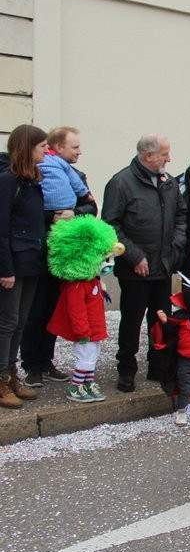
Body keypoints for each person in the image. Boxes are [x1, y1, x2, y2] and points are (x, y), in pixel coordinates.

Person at [101, 133, 187, 392]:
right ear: (148, 156)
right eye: (164, 154)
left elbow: (181, 215)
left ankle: (159, 366)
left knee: (161, 319)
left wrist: (176, 247)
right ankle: (126, 370)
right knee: (131, 321)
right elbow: (110, 225)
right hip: (135, 270)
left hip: (163, 265)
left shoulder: (169, 182)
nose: (169, 159)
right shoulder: (121, 182)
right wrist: (134, 255)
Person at [21, 126, 96, 388]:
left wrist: (73, 213)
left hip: (64, 253)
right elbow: (25, 214)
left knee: (53, 308)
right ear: (58, 148)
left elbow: (91, 207)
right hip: (36, 252)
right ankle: (31, 365)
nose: (79, 151)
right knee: (33, 311)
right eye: (74, 147)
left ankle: (47, 361)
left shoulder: (76, 176)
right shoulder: (33, 175)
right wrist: (50, 216)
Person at [44, 215, 123, 404]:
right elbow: (76, 311)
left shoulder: (91, 282)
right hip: (85, 331)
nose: (108, 264)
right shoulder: (77, 286)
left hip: (93, 330)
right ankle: (77, 385)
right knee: (85, 357)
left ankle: (88, 382)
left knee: (92, 356)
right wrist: (82, 332)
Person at [0, 125, 49, 408]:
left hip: (31, 261)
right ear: (27, 147)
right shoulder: (8, 181)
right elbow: (2, 228)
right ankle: (2, 378)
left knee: (20, 322)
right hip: (14, 263)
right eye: (42, 146)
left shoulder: (32, 181)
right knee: (7, 322)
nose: (46, 150)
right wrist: (5, 269)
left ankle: (10, 372)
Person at [155, 291, 190, 425]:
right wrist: (165, 322)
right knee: (185, 387)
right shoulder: (181, 319)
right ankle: (181, 411)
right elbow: (169, 333)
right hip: (186, 361)